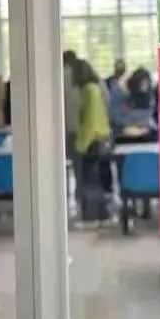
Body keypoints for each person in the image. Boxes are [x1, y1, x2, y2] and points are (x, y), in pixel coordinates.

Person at [74, 60, 112, 223]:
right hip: (96, 138)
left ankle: (93, 215)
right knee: (93, 179)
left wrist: (82, 144)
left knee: (90, 179)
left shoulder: (90, 91)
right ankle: (100, 213)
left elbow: (91, 121)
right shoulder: (91, 89)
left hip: (93, 140)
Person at [62, 51, 81, 185]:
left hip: (70, 126)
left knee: (70, 161)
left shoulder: (62, 74)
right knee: (82, 165)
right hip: (85, 127)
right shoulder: (88, 75)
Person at [106, 58, 129, 135]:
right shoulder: (109, 81)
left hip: (126, 114)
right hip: (112, 114)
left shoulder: (130, 81)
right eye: (118, 68)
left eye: (122, 68)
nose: (120, 71)